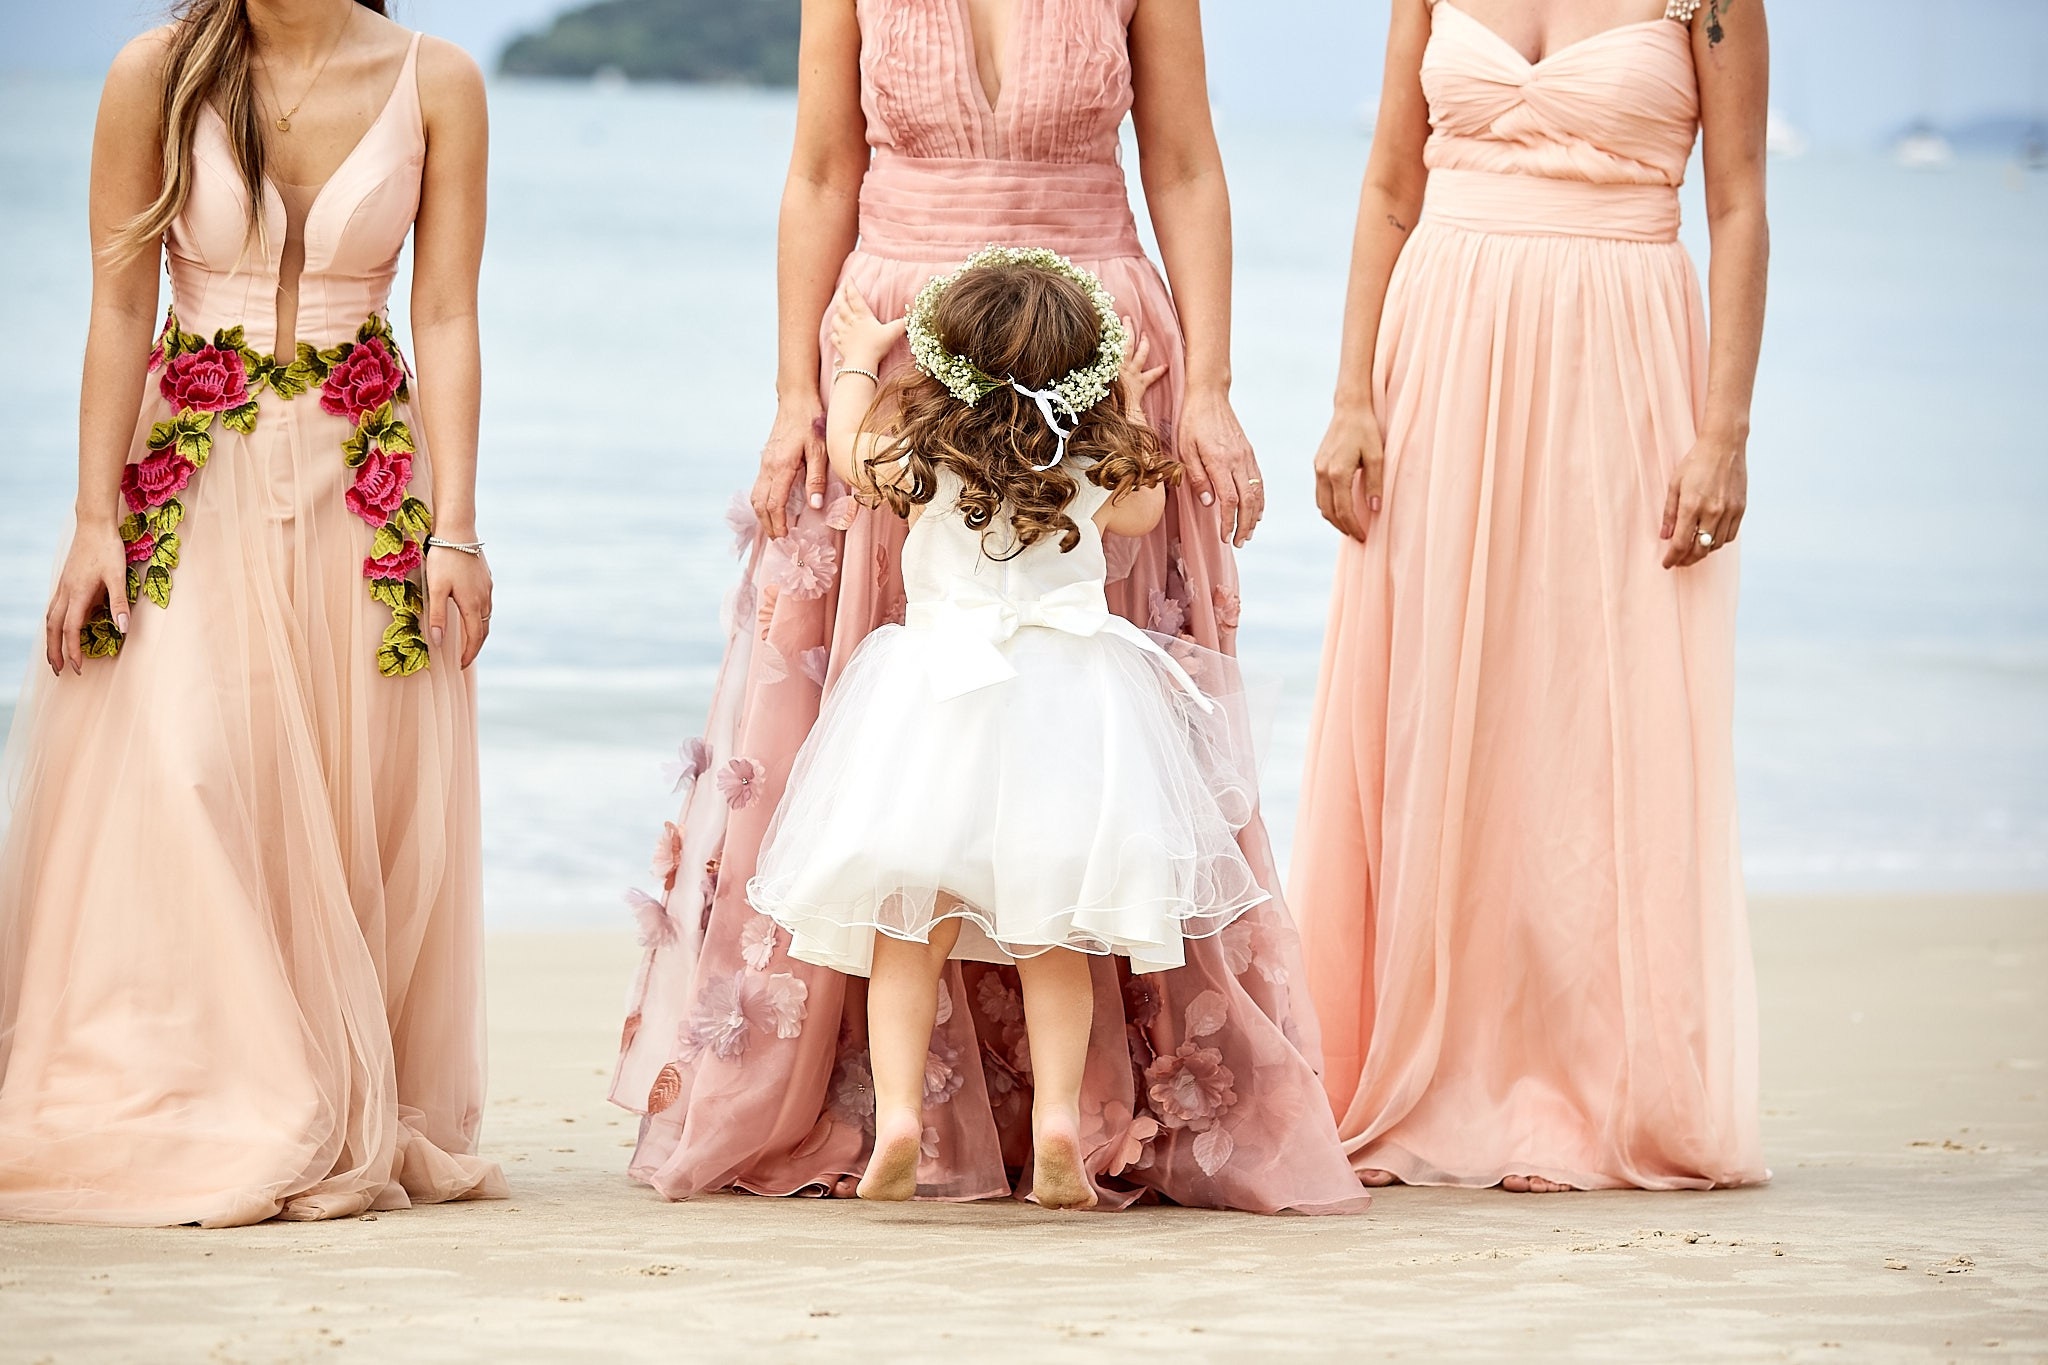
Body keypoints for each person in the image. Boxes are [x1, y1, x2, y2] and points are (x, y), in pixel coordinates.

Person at [615, 0, 1368, 1213]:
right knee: (900, 775)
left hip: (1095, 354)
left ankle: (1087, 1118)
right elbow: (818, 172)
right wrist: (795, 392)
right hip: (901, 338)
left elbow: (1182, 163)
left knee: (1071, 789)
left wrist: (1209, 389)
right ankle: (884, 1111)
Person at [0, 0, 505, 1224]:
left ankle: (318, 1081)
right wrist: (88, 519)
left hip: (362, 485)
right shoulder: (155, 72)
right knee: (187, 767)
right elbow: (121, 302)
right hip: (190, 478)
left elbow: (442, 314)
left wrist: (456, 528)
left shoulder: (436, 79)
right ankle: (220, 1081)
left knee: (338, 798)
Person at [1290, 0, 1773, 1192]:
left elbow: (1739, 205)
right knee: (1430, 701)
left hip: (1618, 350)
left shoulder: (1707, 3)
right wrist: (1350, 393)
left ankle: (1582, 1086)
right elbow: (1388, 189)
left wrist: (1723, 431)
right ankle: (1425, 1066)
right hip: (1441, 341)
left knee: (1585, 711)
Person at [752, 251, 1269, 1208]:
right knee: (1055, 936)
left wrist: (864, 358)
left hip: (937, 702)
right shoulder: (1089, 456)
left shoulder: (922, 446)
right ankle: (1061, 1121)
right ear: (1081, 367)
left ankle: (899, 1117)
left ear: (947, 361)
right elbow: (1147, 507)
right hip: (1071, 708)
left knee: (911, 928)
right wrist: (1120, 403)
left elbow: (859, 462)